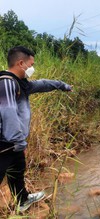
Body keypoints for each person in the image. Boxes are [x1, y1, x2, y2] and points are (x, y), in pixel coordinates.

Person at [0, 46, 72, 212]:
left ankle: (22, 200)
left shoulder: (21, 84)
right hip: (4, 142)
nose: (32, 68)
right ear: (20, 63)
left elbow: (43, 84)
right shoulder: (6, 82)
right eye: (31, 64)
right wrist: (20, 142)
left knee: (17, 172)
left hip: (14, 142)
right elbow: (8, 113)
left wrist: (63, 86)